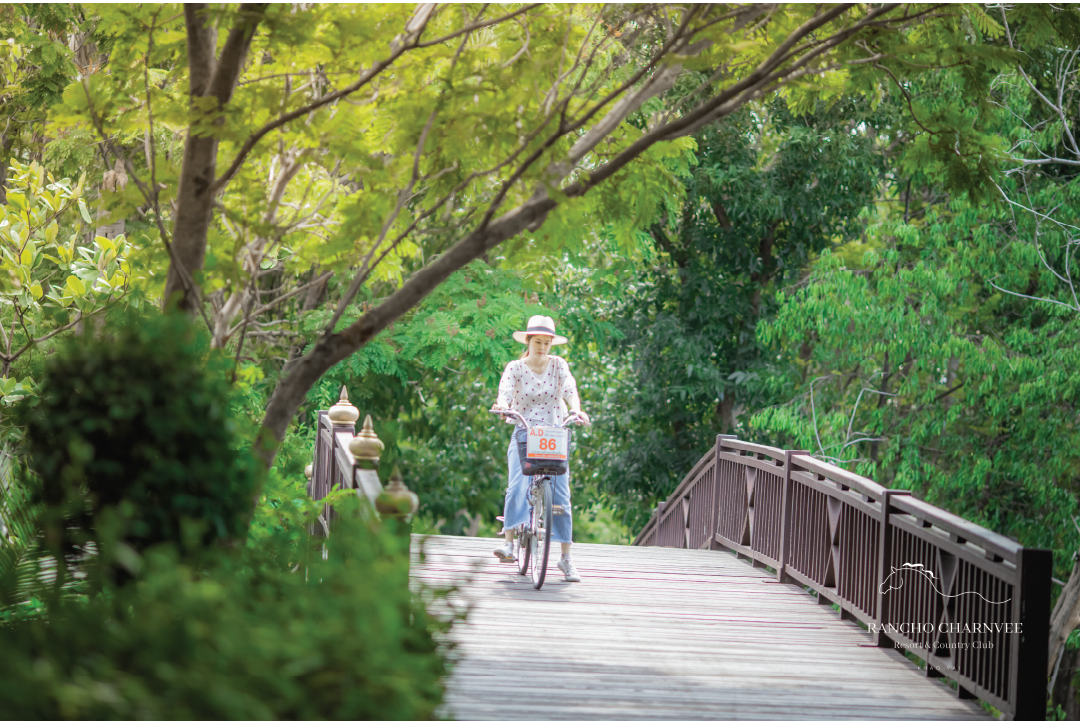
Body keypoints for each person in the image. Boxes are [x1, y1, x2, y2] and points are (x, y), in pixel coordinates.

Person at [490, 315, 590, 582]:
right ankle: (509, 543)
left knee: (561, 498)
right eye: (538, 341)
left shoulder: (559, 366)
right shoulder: (515, 367)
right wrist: (502, 404)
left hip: (554, 435)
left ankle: (566, 558)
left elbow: (570, 389)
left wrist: (576, 410)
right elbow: (505, 391)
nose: (543, 347)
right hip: (524, 433)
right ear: (528, 341)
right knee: (516, 486)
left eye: (547, 342)